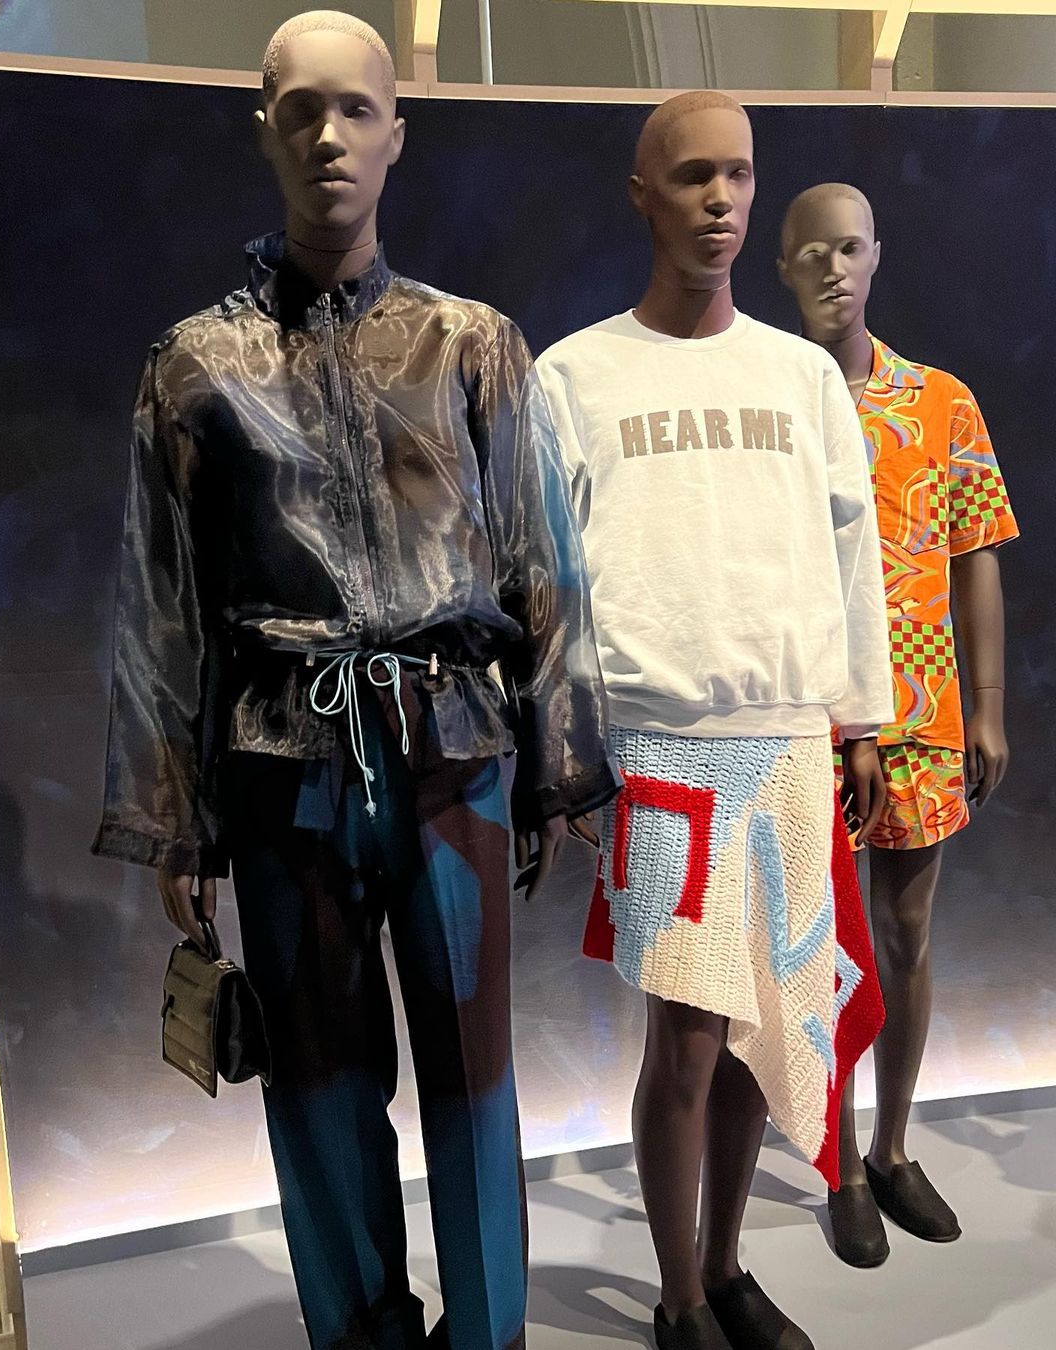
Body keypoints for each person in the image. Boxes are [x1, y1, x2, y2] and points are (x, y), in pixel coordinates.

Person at [93, 12, 618, 1349]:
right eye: (300, 110)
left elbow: (543, 563)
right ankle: (364, 1334)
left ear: (397, 133)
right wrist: (172, 813)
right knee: (319, 1092)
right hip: (281, 769)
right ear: (263, 129)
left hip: (455, 754)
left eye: (357, 110)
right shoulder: (194, 365)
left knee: (476, 1080)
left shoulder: (472, 343)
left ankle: (487, 1333)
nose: (329, 136)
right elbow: (163, 600)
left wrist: (559, 767)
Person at [536, 92, 894, 1350]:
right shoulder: (573, 375)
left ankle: (731, 1266)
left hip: (789, 738)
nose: (722, 199)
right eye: (693, 175)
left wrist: (861, 721)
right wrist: (569, 758)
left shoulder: (801, 376)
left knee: (765, 1028)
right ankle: (678, 1296)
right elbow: (548, 587)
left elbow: (854, 560)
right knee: (685, 1035)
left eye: (738, 174)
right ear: (644, 194)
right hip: (659, 747)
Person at [779, 182, 1019, 1267]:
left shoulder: (940, 403)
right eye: (812, 253)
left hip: (923, 706)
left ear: (875, 256)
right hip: (809, 712)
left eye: (849, 249)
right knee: (822, 951)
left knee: (907, 933)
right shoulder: (772, 399)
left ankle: (891, 1146)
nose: (833, 270)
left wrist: (989, 706)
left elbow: (976, 555)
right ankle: (834, 1163)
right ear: (783, 268)